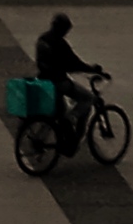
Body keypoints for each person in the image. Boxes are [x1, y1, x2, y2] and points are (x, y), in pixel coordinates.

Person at [35, 14, 104, 144]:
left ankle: (64, 141)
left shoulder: (42, 39)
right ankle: (73, 117)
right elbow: (75, 63)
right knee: (88, 98)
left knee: (60, 112)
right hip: (58, 82)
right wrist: (92, 69)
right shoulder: (60, 43)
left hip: (43, 81)